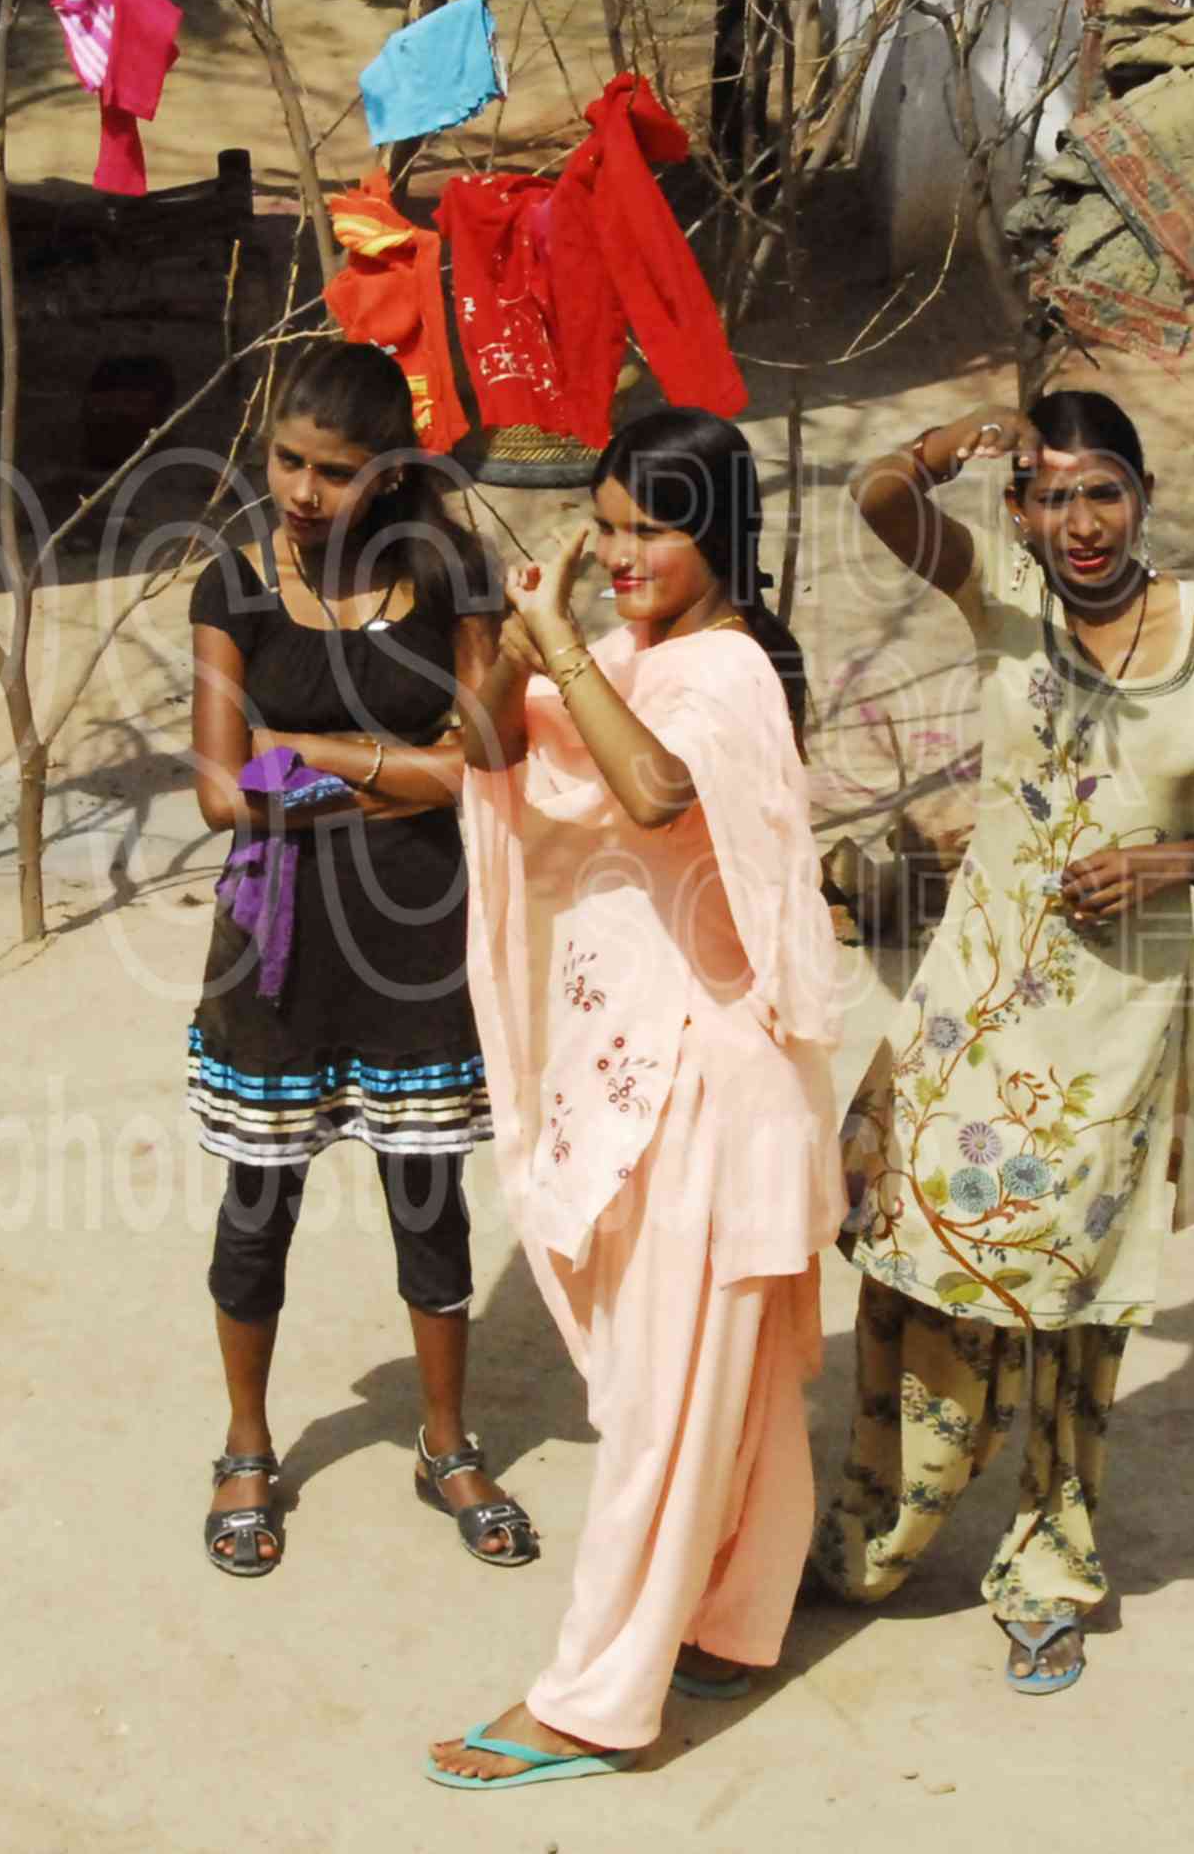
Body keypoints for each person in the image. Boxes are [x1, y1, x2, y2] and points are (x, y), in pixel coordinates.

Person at [811, 389, 1194, 1693]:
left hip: (1123, 1008)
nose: (1080, 521)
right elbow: (880, 506)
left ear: (1142, 495)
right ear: (1018, 512)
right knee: (918, 1252)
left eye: (1104, 491)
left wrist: (1176, 859)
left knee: (1082, 1297)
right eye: (1052, 495)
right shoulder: (1003, 603)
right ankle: (875, 1531)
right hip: (978, 993)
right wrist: (942, 446)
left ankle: (1049, 1566)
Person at [425, 408, 842, 1790]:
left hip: (711, 1091)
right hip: (667, 1075)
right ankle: (735, 1612)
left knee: (663, 1403)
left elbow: (657, 788)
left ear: (712, 528)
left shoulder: (724, 674)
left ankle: (595, 1698)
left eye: (646, 529)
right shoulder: (630, 652)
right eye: (603, 525)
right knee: (726, 1386)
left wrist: (557, 646)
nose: (618, 553)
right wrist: (500, 616)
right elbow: (486, 742)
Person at [186, 343, 537, 1579]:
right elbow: (225, 797)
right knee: (256, 1209)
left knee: (428, 1203)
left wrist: (309, 750)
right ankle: (246, 1444)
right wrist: (399, 766)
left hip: (419, 938)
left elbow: (488, 766)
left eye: (333, 471)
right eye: (286, 459)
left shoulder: (452, 576)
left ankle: (447, 1442)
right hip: (278, 949)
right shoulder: (230, 584)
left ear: (387, 476)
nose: (299, 489)